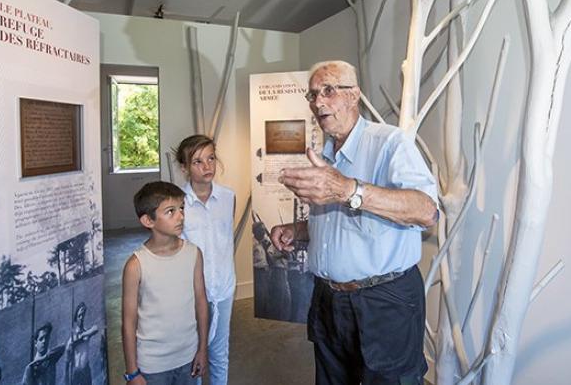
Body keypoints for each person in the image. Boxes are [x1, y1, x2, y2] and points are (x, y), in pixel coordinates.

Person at [271, 60, 439, 385]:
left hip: (384, 300)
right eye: (312, 95)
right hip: (328, 299)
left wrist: (348, 189)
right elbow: (340, 225)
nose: (318, 102)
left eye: (329, 90)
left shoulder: (390, 143)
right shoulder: (326, 154)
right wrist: (298, 231)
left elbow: (426, 212)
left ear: (354, 96)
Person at [122, 181, 209, 385]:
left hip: (188, 358)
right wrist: (132, 372)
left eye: (181, 209)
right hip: (152, 366)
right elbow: (128, 323)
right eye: (170, 211)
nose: (180, 216)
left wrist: (202, 349)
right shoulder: (136, 266)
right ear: (148, 220)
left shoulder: (193, 253)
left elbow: (201, 303)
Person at [175, 134, 235, 385]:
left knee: (219, 353)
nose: (207, 166)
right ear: (184, 167)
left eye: (211, 158)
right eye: (198, 161)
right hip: (192, 293)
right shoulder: (178, 204)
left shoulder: (228, 196)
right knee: (193, 355)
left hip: (223, 288)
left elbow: (224, 242)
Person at [64, 302, 99, 385]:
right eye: (79, 315)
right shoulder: (72, 337)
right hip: (76, 371)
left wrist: (82, 335)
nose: (82, 318)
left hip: (86, 369)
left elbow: (96, 328)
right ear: (76, 317)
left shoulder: (87, 332)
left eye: (83, 315)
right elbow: (67, 359)